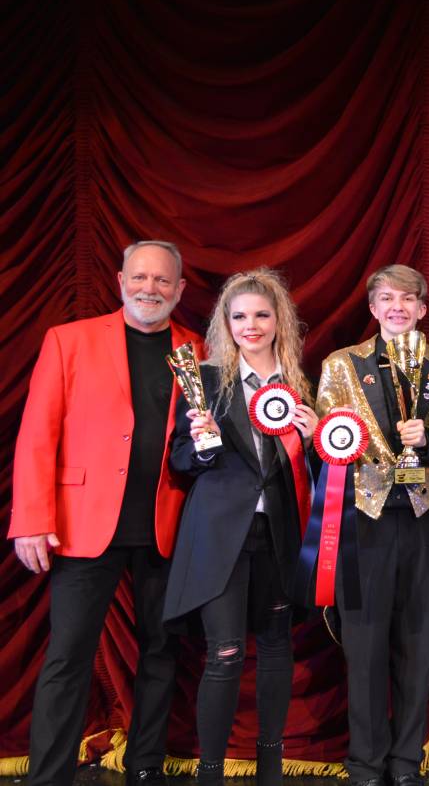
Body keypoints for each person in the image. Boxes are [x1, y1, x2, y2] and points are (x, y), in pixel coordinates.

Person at [9, 241, 199, 785]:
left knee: (162, 654)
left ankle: (144, 770)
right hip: (81, 524)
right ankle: (49, 777)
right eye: (140, 278)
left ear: (180, 290)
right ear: (120, 280)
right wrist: (31, 518)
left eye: (163, 281)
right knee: (68, 657)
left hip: (168, 526)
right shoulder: (68, 340)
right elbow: (37, 435)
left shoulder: (197, 352)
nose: (150, 289)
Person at [161, 268, 317, 785]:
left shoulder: (296, 383)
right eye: (240, 316)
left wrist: (316, 438)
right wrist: (202, 443)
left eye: (261, 315)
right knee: (225, 652)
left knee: (276, 647)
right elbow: (181, 460)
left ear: (279, 322)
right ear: (226, 323)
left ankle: (270, 767)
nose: (251, 325)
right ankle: (211, 773)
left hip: (278, 534)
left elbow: (308, 468)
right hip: (219, 538)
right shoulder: (204, 379)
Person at [315, 264, 429, 786]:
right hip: (362, 519)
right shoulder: (341, 365)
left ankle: (406, 762)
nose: (398, 306)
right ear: (372, 308)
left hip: (422, 517)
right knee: (366, 645)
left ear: (422, 308)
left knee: (418, 642)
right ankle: (367, 764)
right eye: (387, 298)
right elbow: (329, 442)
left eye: (408, 298)